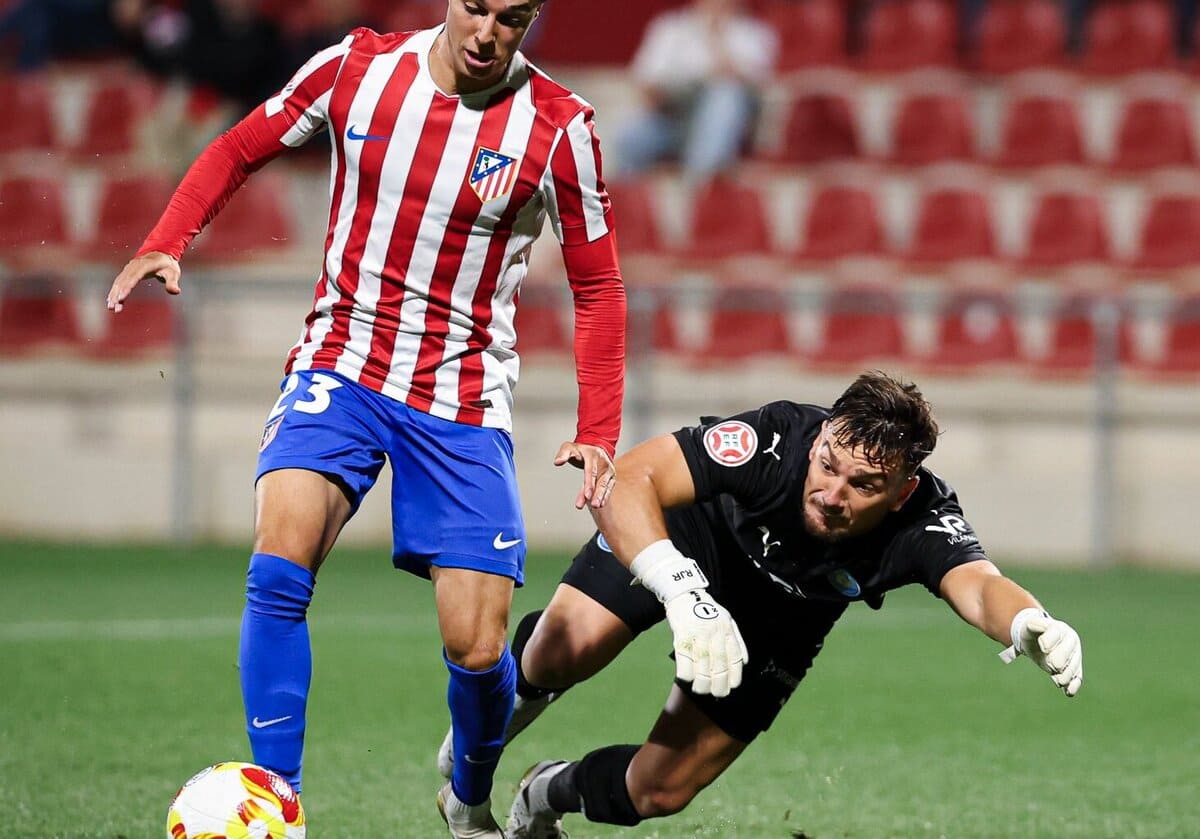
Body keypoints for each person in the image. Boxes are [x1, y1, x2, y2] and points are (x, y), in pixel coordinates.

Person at [106, 2, 627, 836]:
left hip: (460, 396)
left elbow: (599, 285)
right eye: (477, 7)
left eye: (514, 16)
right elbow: (244, 144)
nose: (490, 32)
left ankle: (470, 794)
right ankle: (277, 800)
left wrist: (599, 425)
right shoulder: (357, 69)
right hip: (341, 365)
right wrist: (172, 233)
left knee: (479, 648)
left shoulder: (562, 128)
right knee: (280, 554)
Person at [437, 370, 1084, 836]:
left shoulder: (921, 518)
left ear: (902, 489)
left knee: (659, 791)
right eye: (828, 463)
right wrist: (679, 585)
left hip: (782, 620)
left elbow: (976, 581)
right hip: (696, 539)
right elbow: (628, 477)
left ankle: (544, 790)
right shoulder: (777, 438)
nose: (833, 491)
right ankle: (479, 734)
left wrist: (1029, 619)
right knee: (560, 650)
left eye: (863, 484)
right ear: (822, 435)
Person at [614, 0, 778, 184]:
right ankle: (628, 204)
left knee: (725, 96)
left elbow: (754, 86)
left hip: (728, 124)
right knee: (632, 136)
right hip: (673, 116)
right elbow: (645, 80)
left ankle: (698, 187)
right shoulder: (670, 27)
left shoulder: (754, 33)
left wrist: (715, 38)